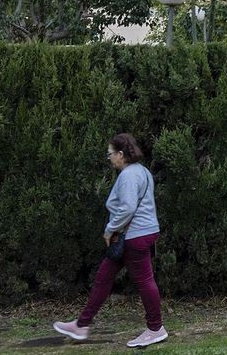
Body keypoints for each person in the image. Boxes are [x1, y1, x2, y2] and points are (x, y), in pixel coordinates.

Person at [53, 133, 168, 348]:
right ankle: (81, 325)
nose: (109, 158)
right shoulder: (142, 171)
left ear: (121, 154)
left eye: (110, 154)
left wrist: (110, 229)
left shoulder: (129, 175)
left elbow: (128, 208)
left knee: (144, 281)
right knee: (104, 277)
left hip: (134, 235)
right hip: (134, 235)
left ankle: (155, 328)